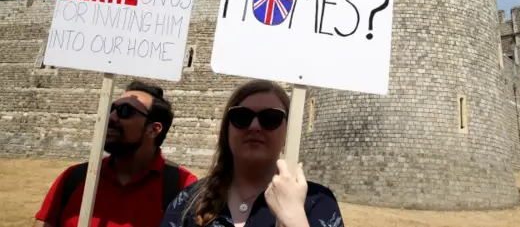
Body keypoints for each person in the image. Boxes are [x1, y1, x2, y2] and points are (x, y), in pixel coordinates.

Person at [160, 79, 345, 227]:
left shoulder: (317, 203)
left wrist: (295, 219)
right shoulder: (188, 201)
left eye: (270, 118)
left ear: (288, 130)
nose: (254, 126)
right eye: (242, 117)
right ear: (227, 128)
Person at [34, 80, 198, 227]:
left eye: (125, 111)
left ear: (153, 129)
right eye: (112, 109)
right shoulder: (74, 178)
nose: (111, 117)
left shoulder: (185, 189)